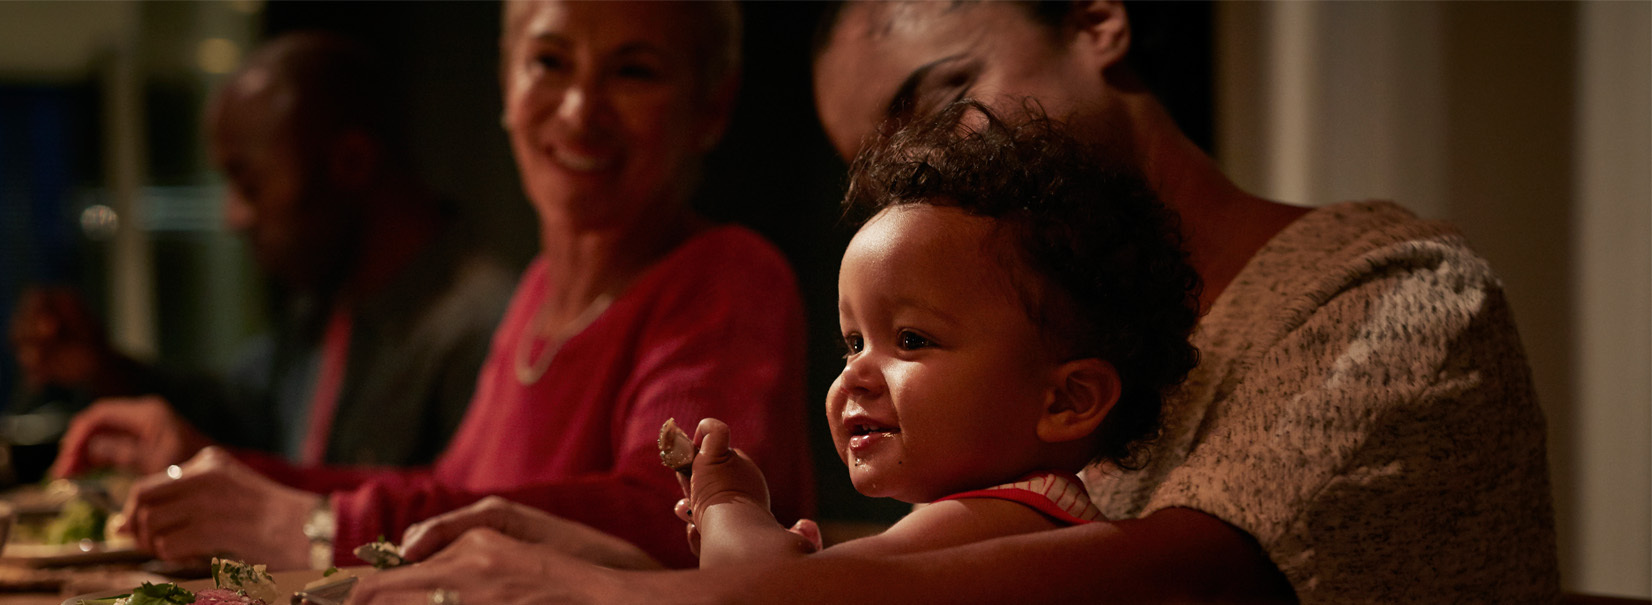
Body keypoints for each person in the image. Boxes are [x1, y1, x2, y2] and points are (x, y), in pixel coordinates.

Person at [348, 1, 1559, 603]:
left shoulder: (1383, 295)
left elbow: (1151, 578)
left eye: (937, 93)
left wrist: (625, 586)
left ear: (1097, 19)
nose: (915, 170)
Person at [61, 0, 815, 572]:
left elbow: (673, 519)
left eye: (634, 71)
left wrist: (324, 526)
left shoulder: (728, 274)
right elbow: (451, 486)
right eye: (549, 62)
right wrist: (212, 463)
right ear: (505, 81)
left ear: (711, 107)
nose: (581, 111)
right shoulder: (539, 292)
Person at [681, 101, 1201, 566]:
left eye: (910, 341)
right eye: (854, 342)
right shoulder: (1013, 523)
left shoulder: (1003, 523)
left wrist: (729, 507)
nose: (856, 374)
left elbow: (755, 592)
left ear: (1068, 400)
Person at [27, 31, 514, 472]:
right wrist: (103, 366)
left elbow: (453, 523)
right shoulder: (326, 308)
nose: (233, 217)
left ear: (352, 162)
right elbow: (237, 416)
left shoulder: (481, 329)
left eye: (249, 182)